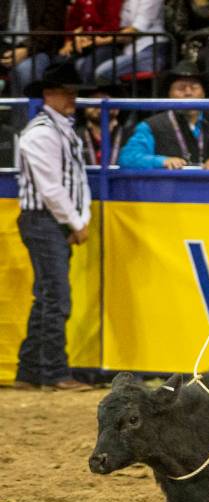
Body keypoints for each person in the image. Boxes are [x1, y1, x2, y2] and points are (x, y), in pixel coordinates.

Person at [15, 62, 93, 391]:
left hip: (51, 221)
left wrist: (80, 217)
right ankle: (53, 372)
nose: (72, 97)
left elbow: (74, 179)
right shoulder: (42, 133)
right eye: (66, 92)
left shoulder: (57, 129)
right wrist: (77, 220)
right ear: (49, 94)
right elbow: (51, 189)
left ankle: (32, 370)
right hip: (44, 220)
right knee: (55, 297)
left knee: (48, 295)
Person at [118, 60, 209, 169]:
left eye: (194, 87)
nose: (188, 92)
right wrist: (161, 161)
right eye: (180, 88)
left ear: (203, 94)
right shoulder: (152, 126)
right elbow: (128, 158)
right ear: (169, 95)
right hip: (167, 194)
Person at [91, 0, 169, 86]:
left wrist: (103, 41)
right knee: (87, 66)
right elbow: (118, 27)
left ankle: (117, 97)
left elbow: (136, 29)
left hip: (151, 49)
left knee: (103, 72)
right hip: (128, 50)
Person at [0, 0, 68, 97]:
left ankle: (27, 112)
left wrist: (27, 49)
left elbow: (51, 25)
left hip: (39, 49)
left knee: (25, 70)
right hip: (4, 45)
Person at [60, 0, 124, 83]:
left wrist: (86, 37)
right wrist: (68, 42)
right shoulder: (80, 1)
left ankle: (89, 95)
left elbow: (112, 26)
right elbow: (72, 24)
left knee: (88, 69)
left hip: (107, 44)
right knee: (60, 63)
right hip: (83, 45)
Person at [75, 84, 127, 165]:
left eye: (106, 99)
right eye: (93, 101)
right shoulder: (75, 136)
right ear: (84, 109)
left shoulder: (130, 136)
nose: (100, 107)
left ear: (117, 109)